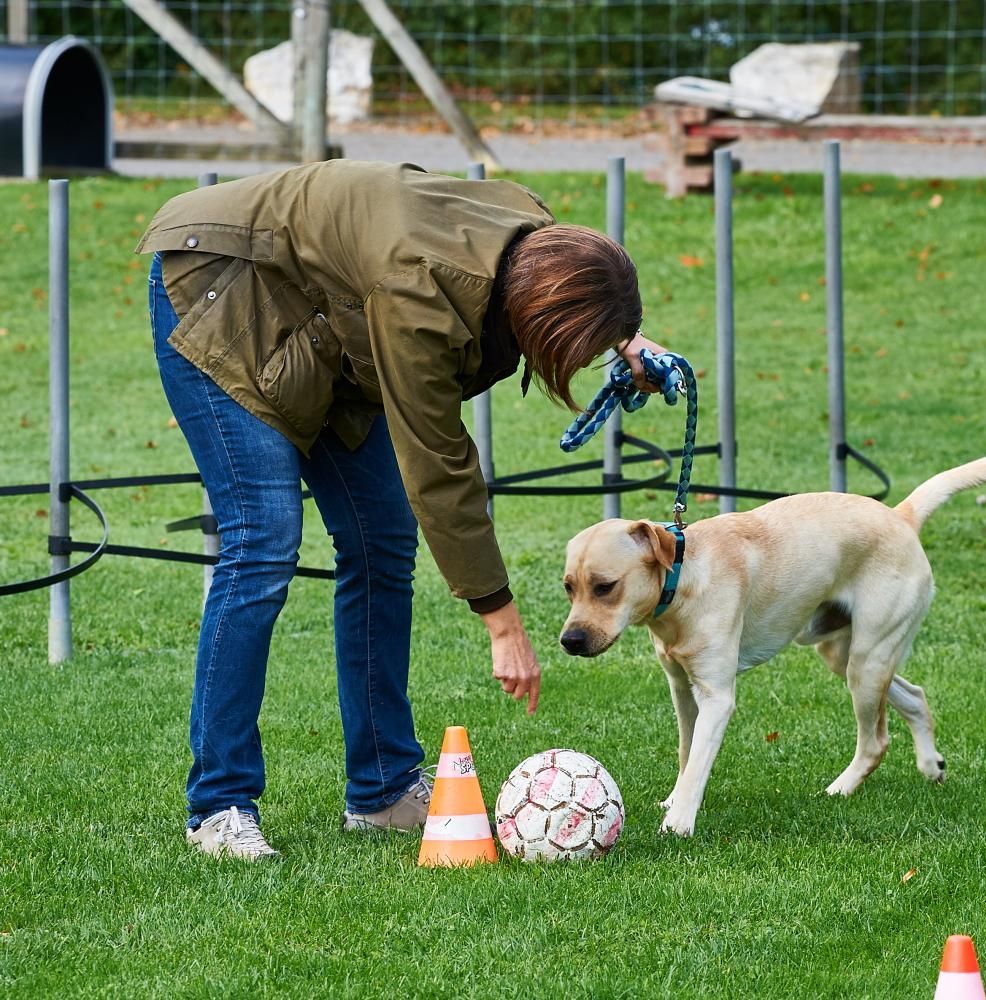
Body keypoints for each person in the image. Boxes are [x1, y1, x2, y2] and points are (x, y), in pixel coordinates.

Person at [137, 160, 663, 860]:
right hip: (220, 284)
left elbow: (563, 276)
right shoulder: (417, 297)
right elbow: (438, 466)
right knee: (262, 542)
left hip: (328, 319)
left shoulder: (528, 239)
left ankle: (381, 790)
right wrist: (502, 624)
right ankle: (219, 805)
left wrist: (626, 338)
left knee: (381, 540)